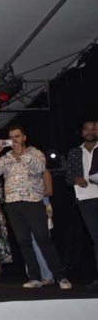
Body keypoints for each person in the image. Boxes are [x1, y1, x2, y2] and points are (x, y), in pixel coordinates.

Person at [0, 124, 72, 289]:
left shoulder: (35, 153)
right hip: (13, 204)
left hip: (33, 201)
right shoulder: (6, 158)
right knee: (23, 242)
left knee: (43, 239)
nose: (15, 140)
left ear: (24, 137)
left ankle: (61, 277)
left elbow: (40, 168)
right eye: (11, 137)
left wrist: (22, 153)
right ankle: (34, 277)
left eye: (17, 136)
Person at [66, 121, 98, 289]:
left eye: (94, 128)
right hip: (85, 199)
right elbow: (68, 177)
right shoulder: (74, 153)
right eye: (87, 128)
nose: (90, 131)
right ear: (82, 132)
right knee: (96, 239)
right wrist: (76, 179)